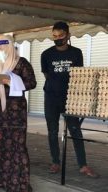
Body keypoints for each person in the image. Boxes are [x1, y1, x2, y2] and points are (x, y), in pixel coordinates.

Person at [41, 21, 98, 177]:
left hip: (71, 98)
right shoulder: (46, 54)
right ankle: (55, 162)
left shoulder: (76, 53)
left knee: (75, 130)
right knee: (52, 131)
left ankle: (83, 165)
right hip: (51, 97)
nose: (57, 38)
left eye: (61, 35)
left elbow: (78, 75)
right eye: (54, 36)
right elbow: (46, 75)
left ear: (68, 35)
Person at [0, 35, 37, 192]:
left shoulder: (21, 63)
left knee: (17, 147)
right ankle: (5, 179)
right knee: (1, 146)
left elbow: (32, 83)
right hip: (0, 112)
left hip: (16, 114)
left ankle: (22, 184)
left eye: (1, 49)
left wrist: (12, 81)